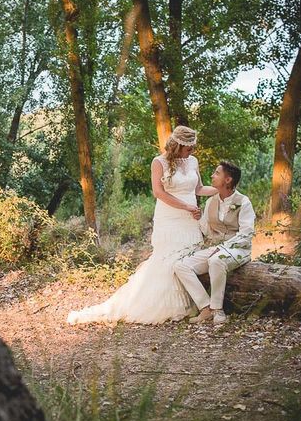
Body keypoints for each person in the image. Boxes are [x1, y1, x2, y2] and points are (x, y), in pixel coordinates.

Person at [67, 126, 218, 325]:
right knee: (168, 260)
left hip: (189, 218)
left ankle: (195, 302)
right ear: (179, 146)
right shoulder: (159, 162)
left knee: (186, 258)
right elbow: (159, 193)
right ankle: (165, 304)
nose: (193, 152)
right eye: (189, 148)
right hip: (170, 217)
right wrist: (187, 207)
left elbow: (198, 188)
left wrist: (221, 189)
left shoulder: (193, 162)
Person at [173, 161, 255, 324]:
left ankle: (218, 310)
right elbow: (208, 232)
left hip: (239, 249)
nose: (212, 175)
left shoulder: (243, 201)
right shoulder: (211, 202)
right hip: (217, 248)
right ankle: (206, 308)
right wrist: (198, 219)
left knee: (216, 260)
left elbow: (247, 234)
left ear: (228, 180)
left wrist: (224, 248)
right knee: (180, 266)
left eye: (217, 173)